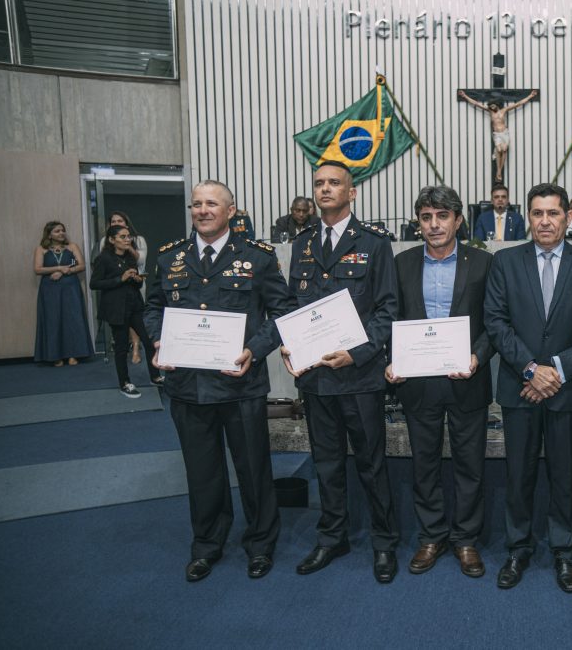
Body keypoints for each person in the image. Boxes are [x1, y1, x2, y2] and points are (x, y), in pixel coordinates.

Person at [145, 180, 292, 582]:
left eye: (211, 204)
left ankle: (261, 545)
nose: (202, 210)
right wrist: (158, 339)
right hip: (188, 387)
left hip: (239, 385)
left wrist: (255, 349)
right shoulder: (167, 257)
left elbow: (282, 311)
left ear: (231, 211)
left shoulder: (258, 257)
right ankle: (206, 545)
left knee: (254, 470)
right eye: (196, 205)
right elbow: (153, 308)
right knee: (202, 472)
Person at [484, 182, 572, 593]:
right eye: (537, 213)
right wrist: (529, 370)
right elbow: (496, 322)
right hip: (518, 388)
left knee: (563, 473)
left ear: (568, 217)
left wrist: (553, 370)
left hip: (566, 388)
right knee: (518, 473)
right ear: (528, 218)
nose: (544, 221)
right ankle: (518, 548)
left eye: (553, 213)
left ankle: (563, 551)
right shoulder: (504, 261)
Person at [281, 161, 401, 583]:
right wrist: (287, 342)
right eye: (319, 183)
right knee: (326, 463)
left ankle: (385, 542)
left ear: (352, 192)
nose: (325, 189)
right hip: (316, 379)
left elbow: (388, 309)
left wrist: (358, 352)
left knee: (371, 464)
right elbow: (294, 308)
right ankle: (333, 537)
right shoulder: (302, 244)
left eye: (334, 183)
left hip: (360, 377)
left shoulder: (374, 243)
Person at [385, 185, 494, 578]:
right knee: (424, 463)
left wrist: (477, 356)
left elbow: (495, 322)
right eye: (426, 217)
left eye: (442, 216)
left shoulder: (483, 263)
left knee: (470, 465)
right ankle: (431, 536)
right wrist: (391, 361)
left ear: (458, 220)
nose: (434, 225)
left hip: (467, 378)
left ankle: (465, 540)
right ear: (419, 223)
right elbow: (390, 318)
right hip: (417, 381)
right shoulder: (402, 263)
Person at [90, 225, 163, 397]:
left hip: (135, 305)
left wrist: (137, 279)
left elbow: (137, 283)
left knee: (149, 340)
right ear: (111, 240)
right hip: (117, 309)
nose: (127, 240)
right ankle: (125, 382)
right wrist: (119, 279)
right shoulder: (104, 258)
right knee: (122, 347)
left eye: (128, 237)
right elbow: (95, 284)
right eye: (122, 237)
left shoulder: (130, 257)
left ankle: (155, 376)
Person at [33, 221, 94, 366]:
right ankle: (56, 356)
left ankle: (74, 354)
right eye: (57, 231)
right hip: (50, 289)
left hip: (70, 287)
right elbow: (37, 269)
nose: (61, 233)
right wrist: (59, 268)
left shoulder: (72, 247)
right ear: (49, 234)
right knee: (53, 320)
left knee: (72, 319)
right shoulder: (41, 249)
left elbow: (81, 265)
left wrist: (68, 271)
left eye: (62, 230)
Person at [458, 89, 538, 182]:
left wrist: (531, 96)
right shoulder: (490, 112)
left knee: (504, 150)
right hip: (497, 134)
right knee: (499, 149)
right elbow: (476, 103)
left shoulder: (504, 111)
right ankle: (499, 171)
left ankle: (499, 172)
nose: (492, 107)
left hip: (504, 133)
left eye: (493, 105)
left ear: (497, 104)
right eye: (490, 106)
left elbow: (518, 104)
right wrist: (464, 96)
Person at [99, 211, 148, 363]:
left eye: (120, 220)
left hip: (135, 284)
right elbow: (106, 264)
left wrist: (127, 244)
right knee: (120, 319)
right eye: (113, 221)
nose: (117, 223)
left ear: (126, 223)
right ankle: (122, 347)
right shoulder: (104, 241)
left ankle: (135, 349)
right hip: (115, 287)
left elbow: (140, 260)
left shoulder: (138, 240)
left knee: (135, 320)